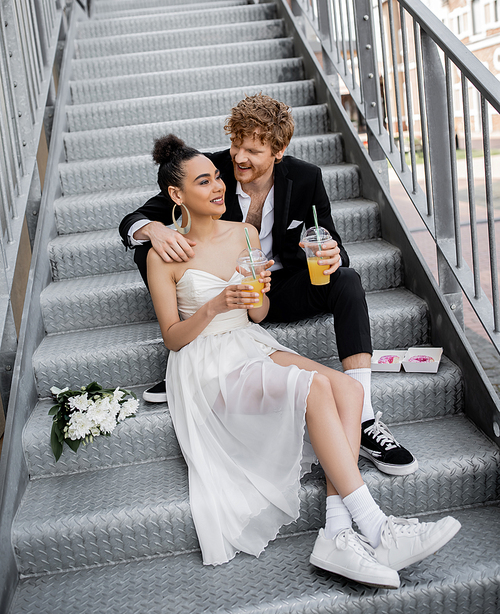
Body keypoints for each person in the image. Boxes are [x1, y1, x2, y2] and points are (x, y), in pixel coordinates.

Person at [145, 133, 460, 586]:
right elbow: (173, 338)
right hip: (205, 363)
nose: (218, 186)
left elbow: (260, 314)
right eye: (203, 181)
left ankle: (336, 531)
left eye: (217, 177)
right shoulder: (164, 254)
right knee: (314, 388)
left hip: (248, 340)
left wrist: (255, 296)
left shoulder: (246, 233)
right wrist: (215, 305)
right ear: (177, 195)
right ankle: (375, 526)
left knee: (348, 388)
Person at [119, 94, 416, 477]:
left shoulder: (306, 177)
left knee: (346, 280)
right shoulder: (212, 173)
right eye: (235, 144)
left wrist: (332, 254)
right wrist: (154, 230)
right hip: (224, 303)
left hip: (280, 289)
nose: (239, 158)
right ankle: (192, 350)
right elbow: (135, 218)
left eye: (253, 150)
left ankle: (364, 420)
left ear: (279, 150)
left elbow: (331, 238)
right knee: (152, 250)